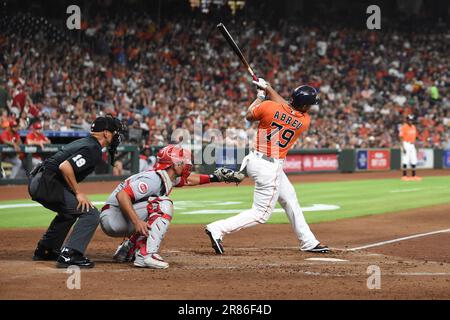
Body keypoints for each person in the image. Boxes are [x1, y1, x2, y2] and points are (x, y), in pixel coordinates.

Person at [205, 78, 329, 254]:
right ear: (304, 106)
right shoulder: (303, 121)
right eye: (309, 105)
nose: (310, 108)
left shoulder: (268, 106)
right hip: (269, 167)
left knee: (289, 198)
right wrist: (268, 88)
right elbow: (287, 107)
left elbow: (249, 115)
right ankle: (218, 228)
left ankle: (308, 241)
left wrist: (261, 95)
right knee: (261, 214)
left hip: (254, 160)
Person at [99, 144, 244, 269]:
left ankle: (128, 249)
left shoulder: (165, 177)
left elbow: (188, 180)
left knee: (155, 209)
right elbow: (122, 196)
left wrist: (214, 178)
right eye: (183, 162)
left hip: (116, 217)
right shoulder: (154, 179)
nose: (187, 165)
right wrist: (137, 221)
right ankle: (146, 255)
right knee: (163, 204)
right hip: (113, 217)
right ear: (174, 164)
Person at [28, 115, 125, 268]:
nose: (117, 137)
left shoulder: (87, 143)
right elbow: (65, 167)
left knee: (70, 212)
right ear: (106, 133)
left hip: (42, 180)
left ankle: (46, 249)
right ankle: (70, 254)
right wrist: (78, 193)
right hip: (47, 183)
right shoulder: (93, 148)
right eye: (115, 133)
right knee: (90, 213)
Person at [399, 114, 421, 181]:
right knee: (405, 160)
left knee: (413, 159)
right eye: (409, 120)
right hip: (406, 143)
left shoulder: (413, 127)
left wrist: (416, 147)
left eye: (411, 120)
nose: (410, 121)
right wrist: (403, 147)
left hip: (412, 144)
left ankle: (414, 176)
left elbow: (415, 138)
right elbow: (401, 137)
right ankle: (404, 176)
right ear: (407, 120)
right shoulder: (404, 127)